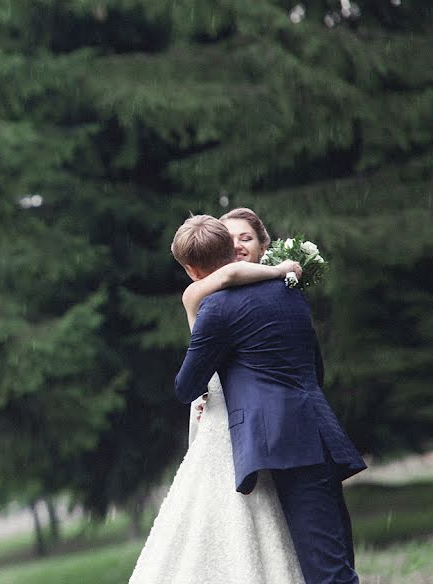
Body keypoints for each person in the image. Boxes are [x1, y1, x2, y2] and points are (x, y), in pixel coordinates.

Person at [173, 214, 366, 583]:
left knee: (326, 572)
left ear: (191, 268)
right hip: (314, 427)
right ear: (230, 250)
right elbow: (314, 365)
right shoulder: (289, 290)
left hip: (281, 442)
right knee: (332, 556)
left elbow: (186, 387)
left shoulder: (216, 307)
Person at [129, 214, 307, 583]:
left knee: (212, 500)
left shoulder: (196, 292)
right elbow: (228, 275)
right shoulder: (216, 289)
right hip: (226, 403)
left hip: (219, 402)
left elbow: (227, 276)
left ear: (190, 269)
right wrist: (281, 270)